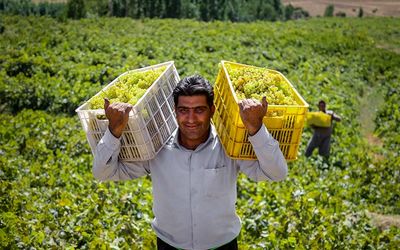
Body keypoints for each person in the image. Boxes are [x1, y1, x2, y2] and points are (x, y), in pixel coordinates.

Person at [93, 75, 288, 250]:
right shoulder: (156, 147)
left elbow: (276, 173)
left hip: (222, 246)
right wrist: (114, 131)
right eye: (184, 110)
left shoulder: (228, 145)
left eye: (199, 110)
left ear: (212, 110)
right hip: (169, 245)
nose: (191, 119)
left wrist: (256, 129)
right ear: (175, 111)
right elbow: (104, 173)